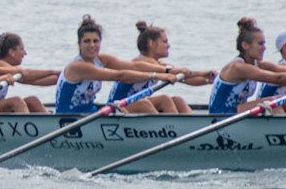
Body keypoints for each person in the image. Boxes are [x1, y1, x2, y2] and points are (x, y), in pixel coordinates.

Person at [54, 15, 188, 116]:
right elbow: (120, 75)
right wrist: (158, 75)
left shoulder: (102, 59)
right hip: (69, 118)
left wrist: (166, 71)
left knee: (172, 100)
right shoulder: (78, 66)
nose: (92, 45)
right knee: (144, 104)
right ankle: (167, 138)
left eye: (96, 41)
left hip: (90, 112)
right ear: (79, 44)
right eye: (87, 41)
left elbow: (132, 67)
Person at [207, 17, 286, 114]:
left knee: (284, 99)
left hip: (238, 112)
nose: (264, 48)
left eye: (264, 43)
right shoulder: (238, 67)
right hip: (221, 114)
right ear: (245, 45)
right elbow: (278, 78)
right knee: (274, 102)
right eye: (260, 44)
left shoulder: (257, 64)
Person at [106, 20, 212, 115]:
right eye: (165, 42)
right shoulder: (141, 61)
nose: (169, 45)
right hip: (117, 108)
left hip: (135, 105)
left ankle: (191, 128)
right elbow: (177, 72)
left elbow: (185, 78)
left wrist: (209, 80)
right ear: (151, 43)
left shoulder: (160, 64)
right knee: (163, 100)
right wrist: (201, 73)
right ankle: (170, 130)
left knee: (177, 100)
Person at [0, 33, 60, 113]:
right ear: (12, 52)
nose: (25, 53)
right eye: (22, 49)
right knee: (16, 101)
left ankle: (50, 126)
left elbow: (35, 81)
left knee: (33, 101)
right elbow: (26, 75)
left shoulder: (9, 71)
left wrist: (63, 78)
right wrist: (52, 71)